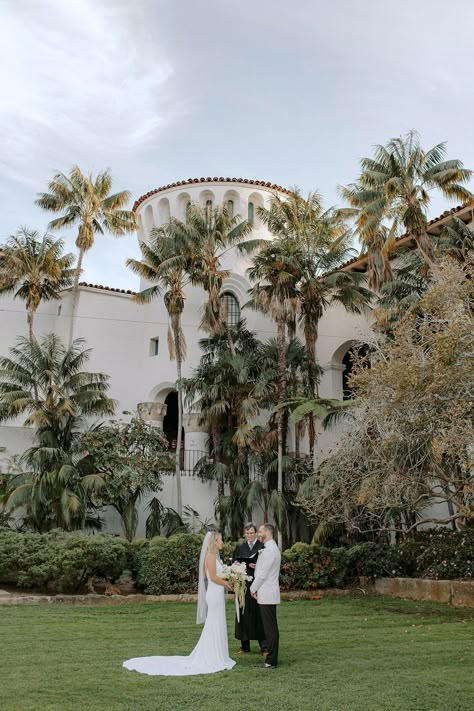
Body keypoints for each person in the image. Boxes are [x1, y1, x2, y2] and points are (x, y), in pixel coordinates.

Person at [123, 531, 235, 676]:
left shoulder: (214, 557)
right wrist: (227, 583)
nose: (222, 542)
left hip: (216, 594)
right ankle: (212, 655)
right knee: (214, 622)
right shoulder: (211, 557)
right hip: (214, 594)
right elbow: (212, 577)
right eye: (220, 540)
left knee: (216, 622)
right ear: (214, 542)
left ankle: (217, 653)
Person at [232, 522, 267, 655]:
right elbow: (234, 563)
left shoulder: (262, 547)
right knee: (243, 613)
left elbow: (267, 564)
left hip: (258, 585)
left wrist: (257, 565)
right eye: (247, 533)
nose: (249, 535)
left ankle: (264, 647)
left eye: (252, 533)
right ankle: (244, 646)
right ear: (244, 534)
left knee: (259, 614)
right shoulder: (240, 547)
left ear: (256, 533)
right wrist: (241, 565)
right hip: (243, 585)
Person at [250, 523, 281, 669]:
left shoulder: (270, 550)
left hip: (267, 592)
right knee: (269, 628)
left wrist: (252, 588)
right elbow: (264, 569)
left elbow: (263, 575)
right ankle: (270, 658)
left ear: (267, 533)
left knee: (270, 629)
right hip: (266, 592)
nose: (258, 534)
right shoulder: (269, 548)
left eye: (260, 531)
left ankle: (271, 661)